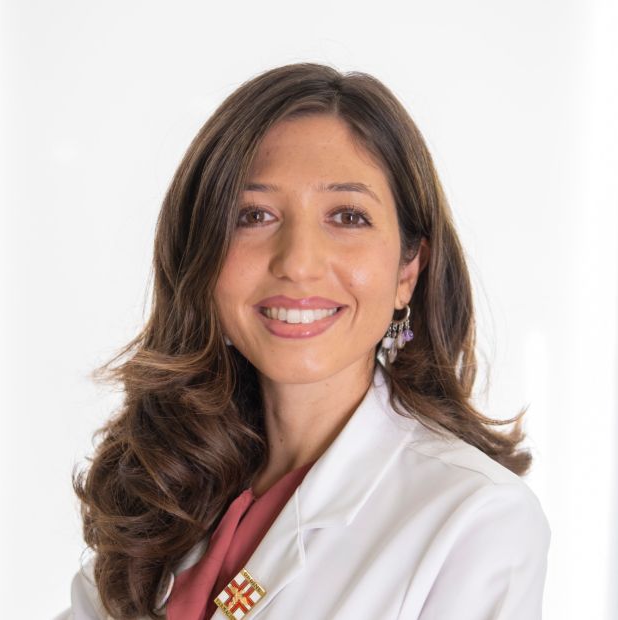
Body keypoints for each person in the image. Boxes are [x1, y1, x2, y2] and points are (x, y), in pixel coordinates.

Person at [54, 63, 550, 620]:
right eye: (254, 215)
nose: (297, 262)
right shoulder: (161, 494)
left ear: (408, 270)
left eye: (348, 216)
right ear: (202, 255)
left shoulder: (476, 521)